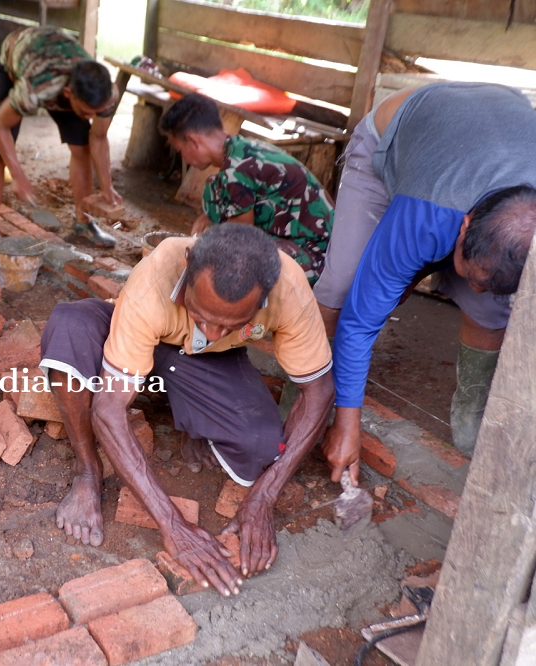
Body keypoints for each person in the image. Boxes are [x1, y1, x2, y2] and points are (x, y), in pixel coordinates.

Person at [39, 224, 334, 595]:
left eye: (230, 324)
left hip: (206, 363)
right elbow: (108, 410)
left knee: (260, 447)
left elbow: (319, 390)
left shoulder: (288, 289)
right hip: (133, 344)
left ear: (262, 300)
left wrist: (264, 497)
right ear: (188, 268)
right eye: (200, 313)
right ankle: (86, 472)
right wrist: (173, 525)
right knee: (70, 325)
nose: (211, 330)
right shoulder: (156, 278)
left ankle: (193, 421)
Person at [314, 82, 536, 472]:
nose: (475, 286)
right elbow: (361, 321)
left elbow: (489, 281)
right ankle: (305, 398)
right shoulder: (428, 213)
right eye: (472, 274)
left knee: (489, 311)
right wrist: (348, 421)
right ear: (464, 227)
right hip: (397, 137)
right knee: (344, 285)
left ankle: (470, 423)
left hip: (488, 135)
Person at [159, 93, 334, 286]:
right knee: (213, 189)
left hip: (319, 256)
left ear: (193, 141)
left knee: (232, 265)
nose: (181, 156)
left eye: (179, 149)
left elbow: (239, 243)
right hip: (307, 241)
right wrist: (207, 217)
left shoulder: (236, 171)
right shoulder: (241, 149)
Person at [0, 26, 122, 247]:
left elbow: (99, 138)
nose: (91, 117)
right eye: (87, 113)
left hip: (58, 66)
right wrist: (18, 175)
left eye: (96, 112)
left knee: (81, 146)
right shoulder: (38, 87)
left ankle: (83, 224)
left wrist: (107, 187)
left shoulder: (106, 94)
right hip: (14, 59)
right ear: (68, 94)